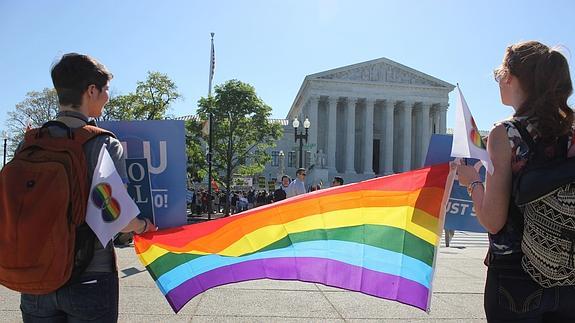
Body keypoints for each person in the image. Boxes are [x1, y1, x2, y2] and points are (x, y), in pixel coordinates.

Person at [19, 53, 156, 322]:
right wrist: (142, 226)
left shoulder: (31, 143)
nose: (107, 96)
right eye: (104, 90)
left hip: (35, 278)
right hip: (89, 277)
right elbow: (114, 216)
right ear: (90, 91)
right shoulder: (102, 144)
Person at [456, 41, 575, 322]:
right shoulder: (572, 132)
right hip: (568, 274)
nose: (499, 80)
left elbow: (493, 220)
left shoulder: (505, 133)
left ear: (510, 77)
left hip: (515, 277)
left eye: (499, 73)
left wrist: (473, 182)